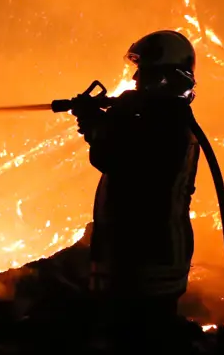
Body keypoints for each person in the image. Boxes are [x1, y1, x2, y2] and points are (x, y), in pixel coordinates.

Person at [72, 30, 201, 327]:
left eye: (142, 72)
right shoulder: (164, 119)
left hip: (148, 261)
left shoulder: (165, 125)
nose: (134, 80)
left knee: (139, 350)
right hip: (146, 256)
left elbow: (113, 158)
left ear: (161, 77)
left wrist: (94, 123)